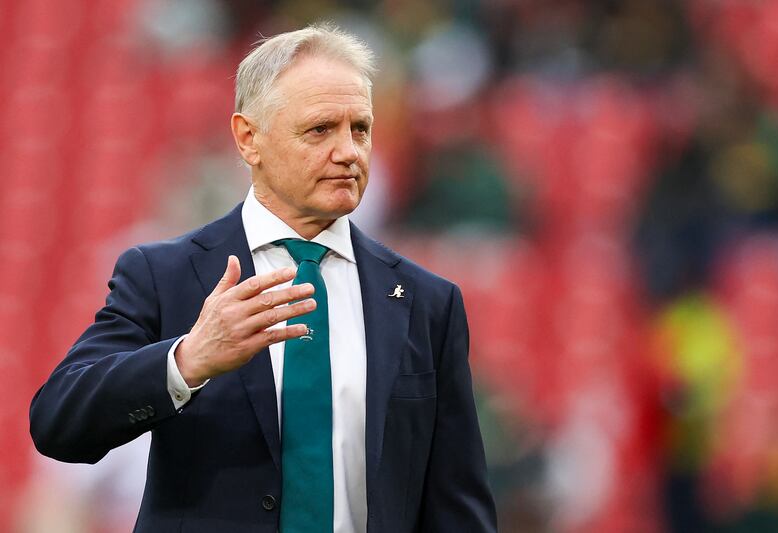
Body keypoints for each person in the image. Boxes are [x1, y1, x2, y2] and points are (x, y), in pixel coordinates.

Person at [29, 24, 496, 533]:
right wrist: (187, 361)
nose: (349, 152)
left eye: (359, 128)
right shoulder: (165, 276)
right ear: (249, 139)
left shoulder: (427, 301)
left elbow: (457, 506)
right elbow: (58, 422)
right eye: (320, 130)